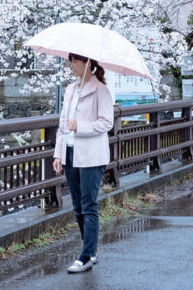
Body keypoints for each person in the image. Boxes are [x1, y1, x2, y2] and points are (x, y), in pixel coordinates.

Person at [53, 52, 115, 274]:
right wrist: (58, 154)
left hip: (91, 156)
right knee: (78, 207)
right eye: (70, 61)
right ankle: (91, 249)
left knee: (89, 206)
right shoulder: (71, 89)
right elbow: (62, 124)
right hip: (71, 153)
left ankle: (86, 255)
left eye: (74, 61)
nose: (71, 65)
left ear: (87, 63)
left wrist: (81, 126)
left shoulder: (100, 90)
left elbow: (106, 122)